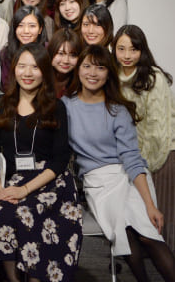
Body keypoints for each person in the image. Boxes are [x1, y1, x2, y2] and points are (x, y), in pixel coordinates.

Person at [63, 45, 175, 281]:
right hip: (98, 183)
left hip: (130, 177)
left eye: (100, 67)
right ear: (78, 69)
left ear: (109, 73)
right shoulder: (66, 106)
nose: (93, 73)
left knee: (147, 234)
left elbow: (132, 159)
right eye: (87, 66)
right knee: (125, 234)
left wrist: (150, 205)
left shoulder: (118, 110)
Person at [0, 43, 82, 282]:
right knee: (2, 213)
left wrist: (25, 189)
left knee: (35, 215)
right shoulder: (0, 104)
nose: (27, 73)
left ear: (44, 71)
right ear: (14, 69)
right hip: (15, 180)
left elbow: (60, 159)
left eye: (35, 67)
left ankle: (37, 277)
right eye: (22, 66)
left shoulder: (56, 107)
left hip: (52, 181)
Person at [113, 25, 175, 251]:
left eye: (134, 49)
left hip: (161, 156)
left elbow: (158, 130)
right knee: (138, 220)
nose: (127, 55)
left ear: (142, 50)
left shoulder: (153, 77)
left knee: (163, 223)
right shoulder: (112, 76)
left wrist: (146, 166)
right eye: (121, 49)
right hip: (133, 159)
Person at [0, 6, 47, 89]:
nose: (26, 31)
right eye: (20, 25)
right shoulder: (7, 53)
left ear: (40, 29)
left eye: (32, 26)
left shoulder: (48, 50)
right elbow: (7, 85)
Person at [48, 28, 83, 98]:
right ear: (51, 53)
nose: (66, 61)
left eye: (73, 55)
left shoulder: (82, 83)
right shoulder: (40, 78)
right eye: (61, 53)